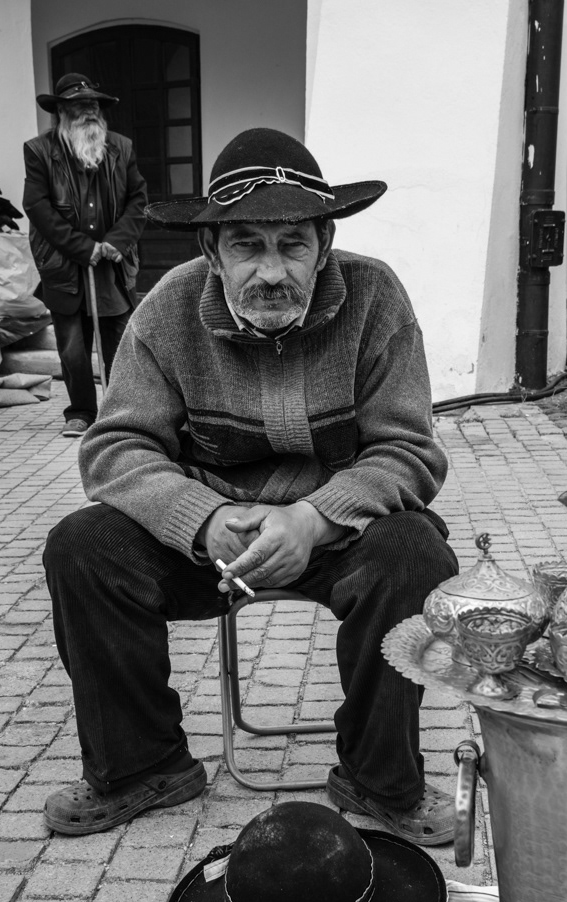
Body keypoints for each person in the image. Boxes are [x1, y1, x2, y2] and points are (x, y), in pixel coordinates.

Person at [42, 127, 459, 846]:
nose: (272, 271)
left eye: (292, 243)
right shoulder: (170, 309)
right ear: (212, 252)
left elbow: (409, 452)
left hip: (336, 537)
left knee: (414, 555)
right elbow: (114, 446)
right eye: (246, 245)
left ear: (324, 244)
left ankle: (380, 779)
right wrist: (202, 519)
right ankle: (141, 767)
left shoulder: (374, 298)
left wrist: (313, 520)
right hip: (212, 542)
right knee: (81, 548)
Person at [23, 74, 147, 437]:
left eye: (94, 106)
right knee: (74, 351)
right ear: (62, 111)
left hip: (111, 265)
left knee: (119, 345)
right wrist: (83, 247)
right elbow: (37, 207)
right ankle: (80, 412)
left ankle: (119, 411)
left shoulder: (121, 148)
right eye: (80, 107)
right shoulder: (39, 151)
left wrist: (115, 242)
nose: (89, 112)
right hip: (64, 267)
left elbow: (138, 200)